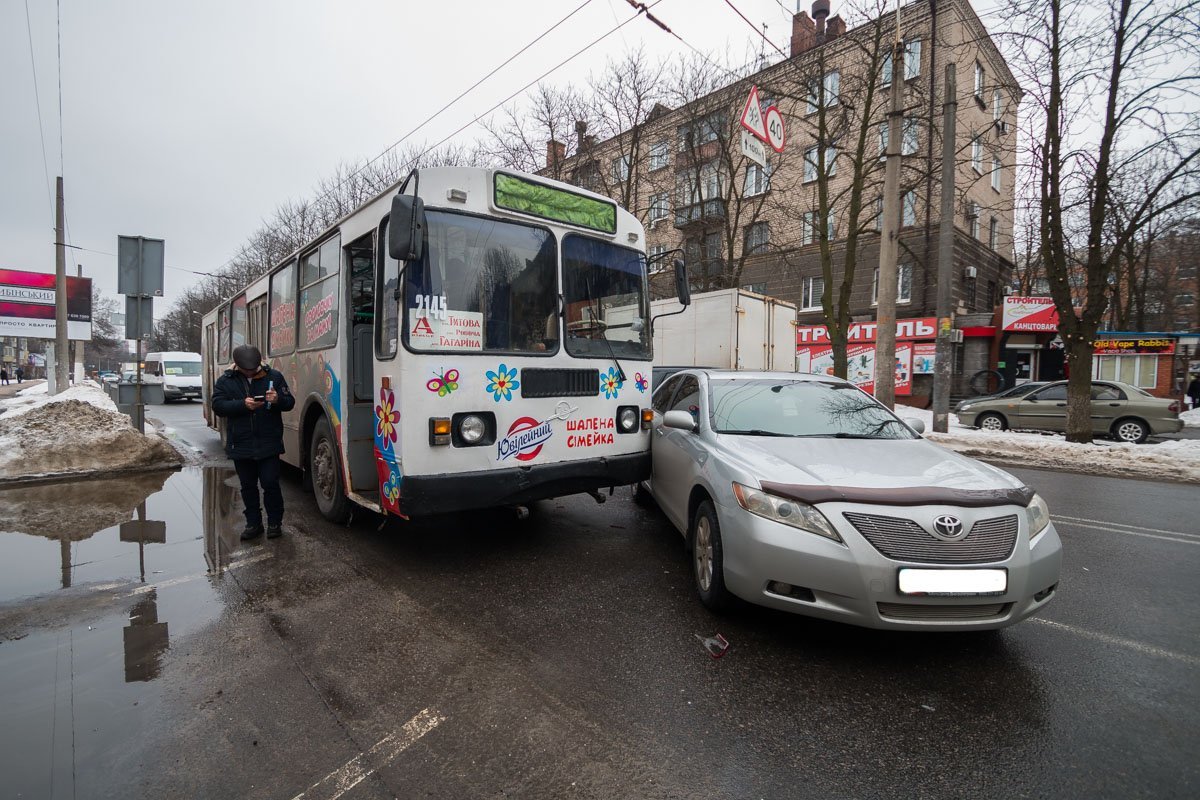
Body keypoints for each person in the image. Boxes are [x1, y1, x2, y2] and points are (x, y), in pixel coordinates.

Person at [212, 344, 295, 540]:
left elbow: (289, 402)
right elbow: (218, 405)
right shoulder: (226, 380)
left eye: (254, 368)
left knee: (270, 484)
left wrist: (277, 400)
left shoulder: (274, 376)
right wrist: (242, 405)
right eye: (247, 369)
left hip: (269, 442)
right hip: (241, 443)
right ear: (238, 365)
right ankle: (253, 524)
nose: (251, 372)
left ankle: (274, 523)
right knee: (248, 487)